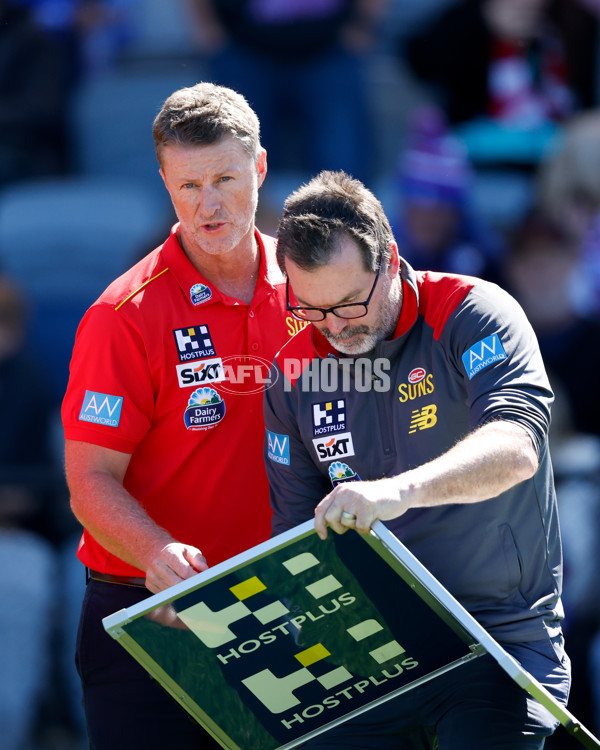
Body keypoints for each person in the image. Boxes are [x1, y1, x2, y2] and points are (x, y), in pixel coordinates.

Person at [263, 170, 571, 748]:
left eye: (350, 303)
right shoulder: (291, 374)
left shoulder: (473, 311)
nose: (334, 329)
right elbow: (296, 546)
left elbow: (516, 447)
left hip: (497, 641)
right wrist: (210, 626)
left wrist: (396, 492)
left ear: (391, 258)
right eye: (311, 309)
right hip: (368, 655)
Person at [61, 82, 294, 750]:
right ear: (164, 181)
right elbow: (91, 480)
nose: (209, 204)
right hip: (150, 612)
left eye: (225, 177)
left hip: (285, 594)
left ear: (261, 167)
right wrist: (157, 552)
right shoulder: (122, 316)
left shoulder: (318, 287)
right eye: (188, 185)